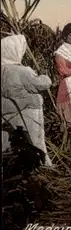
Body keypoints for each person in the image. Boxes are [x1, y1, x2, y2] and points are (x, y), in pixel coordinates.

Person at [1, 34, 53, 166]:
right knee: (34, 141)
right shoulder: (23, 71)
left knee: (9, 140)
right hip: (28, 112)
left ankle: (10, 165)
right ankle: (41, 164)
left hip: (7, 112)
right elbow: (41, 84)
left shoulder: (3, 70)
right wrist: (45, 77)